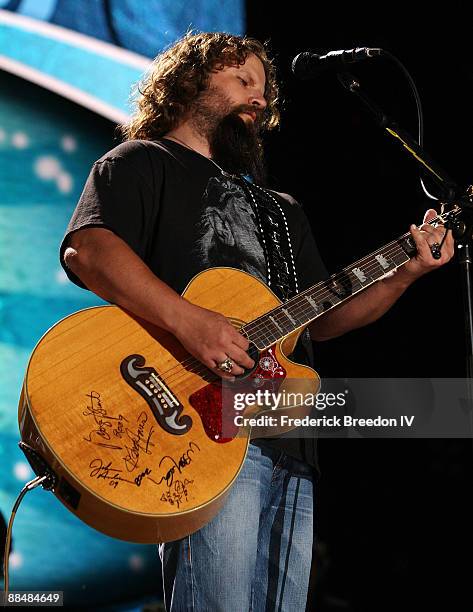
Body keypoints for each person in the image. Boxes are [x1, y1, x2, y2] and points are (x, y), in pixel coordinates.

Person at [60, 32, 454, 612]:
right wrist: (192, 322)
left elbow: (322, 322)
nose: (260, 99)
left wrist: (405, 272)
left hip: (288, 434)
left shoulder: (281, 210)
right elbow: (88, 251)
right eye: (242, 80)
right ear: (188, 84)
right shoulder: (140, 162)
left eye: (265, 90)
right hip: (192, 429)